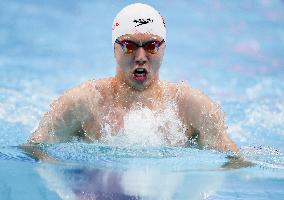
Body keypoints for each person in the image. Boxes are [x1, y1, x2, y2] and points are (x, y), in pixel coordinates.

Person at [24, 3, 238, 154]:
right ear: (114, 48)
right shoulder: (83, 103)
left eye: (152, 46)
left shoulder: (192, 107)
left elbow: (233, 163)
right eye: (128, 46)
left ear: (164, 48)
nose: (141, 57)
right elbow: (35, 149)